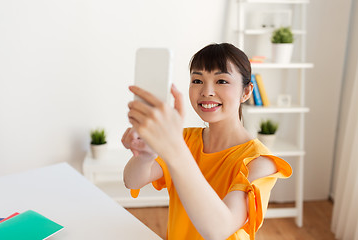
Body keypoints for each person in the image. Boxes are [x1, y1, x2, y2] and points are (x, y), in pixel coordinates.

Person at [122, 43, 292, 240]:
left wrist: (175, 149)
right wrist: (146, 155)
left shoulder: (260, 162)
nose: (206, 91)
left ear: (246, 92)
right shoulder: (184, 139)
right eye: (197, 80)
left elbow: (219, 230)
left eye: (221, 81)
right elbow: (132, 180)